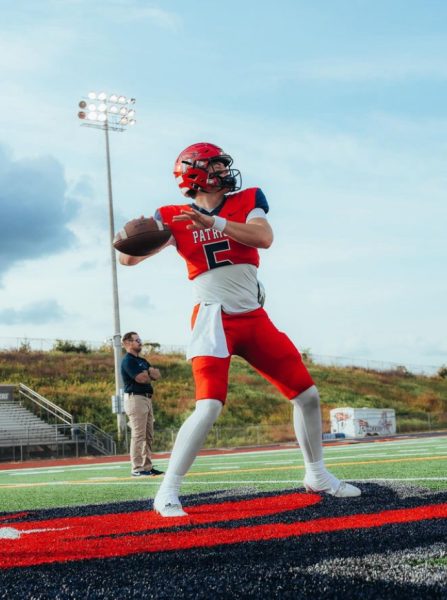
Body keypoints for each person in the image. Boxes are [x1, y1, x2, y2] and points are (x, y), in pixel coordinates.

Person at [118, 142, 361, 516]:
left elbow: (263, 237)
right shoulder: (174, 215)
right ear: (195, 173)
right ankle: (167, 490)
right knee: (209, 405)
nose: (223, 172)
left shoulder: (248, 198)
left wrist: (212, 222)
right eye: (214, 166)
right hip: (214, 318)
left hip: (252, 315)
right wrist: (131, 236)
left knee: (307, 395)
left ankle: (317, 474)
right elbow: (129, 259)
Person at [121, 331, 164, 477]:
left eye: (139, 339)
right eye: (136, 340)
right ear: (128, 343)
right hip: (136, 399)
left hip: (147, 399)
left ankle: (147, 466)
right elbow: (142, 378)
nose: (140, 342)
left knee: (149, 435)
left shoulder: (143, 361)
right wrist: (149, 372)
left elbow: (157, 375)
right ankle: (137, 468)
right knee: (138, 435)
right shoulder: (128, 361)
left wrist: (149, 372)